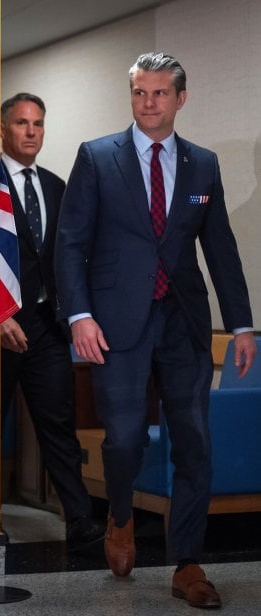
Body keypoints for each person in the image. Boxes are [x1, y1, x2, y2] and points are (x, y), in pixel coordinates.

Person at [55, 52, 257, 608]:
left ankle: (187, 563)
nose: (149, 103)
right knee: (121, 440)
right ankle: (120, 515)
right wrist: (79, 315)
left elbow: (220, 248)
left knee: (194, 440)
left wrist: (241, 324)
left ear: (180, 99)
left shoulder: (202, 165)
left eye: (160, 93)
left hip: (184, 323)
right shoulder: (97, 158)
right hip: (115, 324)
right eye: (140, 93)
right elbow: (70, 243)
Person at [0, 92, 104, 551]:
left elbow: (72, 256)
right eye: (21, 123)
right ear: (3, 129)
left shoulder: (58, 186)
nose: (30, 132)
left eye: (38, 124)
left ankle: (80, 518)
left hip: (46, 326)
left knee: (58, 424)